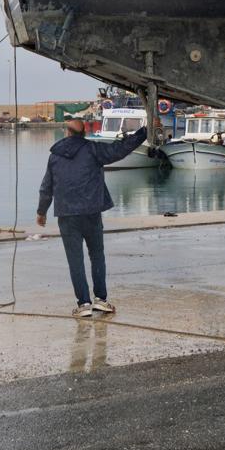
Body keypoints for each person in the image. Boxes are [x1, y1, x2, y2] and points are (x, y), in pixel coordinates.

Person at [36, 117, 147, 317]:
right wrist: (144, 132)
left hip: (67, 215)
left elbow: (47, 188)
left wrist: (41, 212)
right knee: (97, 255)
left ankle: (84, 304)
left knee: (75, 260)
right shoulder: (93, 150)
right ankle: (101, 301)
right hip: (91, 213)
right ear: (84, 133)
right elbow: (120, 149)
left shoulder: (55, 156)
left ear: (67, 132)